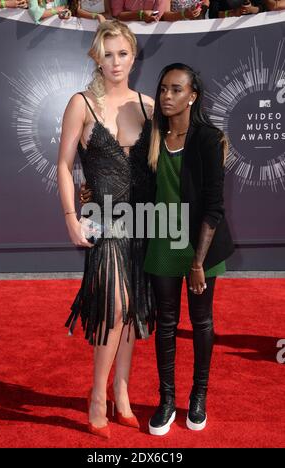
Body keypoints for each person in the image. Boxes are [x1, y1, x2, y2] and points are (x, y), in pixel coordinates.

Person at [57, 20, 155, 439]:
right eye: (107, 54)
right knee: (115, 308)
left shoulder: (150, 105)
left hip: (144, 220)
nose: (115, 62)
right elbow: (63, 164)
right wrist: (70, 216)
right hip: (105, 219)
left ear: (134, 56)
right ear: (97, 57)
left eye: (122, 53)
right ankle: (98, 395)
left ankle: (123, 391)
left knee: (133, 313)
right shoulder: (82, 103)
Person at [144, 63, 234, 435]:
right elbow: (137, 190)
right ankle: (167, 399)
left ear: (192, 96)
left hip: (201, 247)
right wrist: (93, 195)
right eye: (163, 88)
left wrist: (198, 262)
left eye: (176, 89)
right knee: (165, 323)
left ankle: (198, 397)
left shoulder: (208, 139)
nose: (167, 96)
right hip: (162, 243)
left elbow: (213, 205)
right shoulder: (152, 137)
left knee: (201, 322)